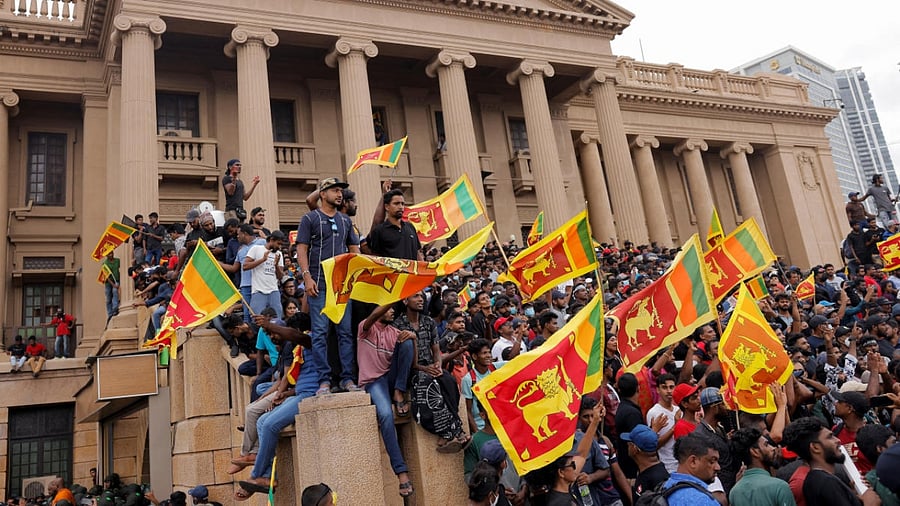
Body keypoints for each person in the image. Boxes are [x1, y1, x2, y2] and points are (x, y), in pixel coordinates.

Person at [234, 314, 318, 501]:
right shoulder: (297, 348)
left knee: (270, 425)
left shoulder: (312, 339)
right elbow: (293, 381)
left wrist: (270, 325)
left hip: (309, 396)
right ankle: (267, 476)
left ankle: (257, 475)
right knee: (263, 420)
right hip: (298, 394)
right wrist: (284, 394)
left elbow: (297, 336)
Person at [296, 177, 361, 395]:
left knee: (344, 334)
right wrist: (307, 277)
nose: (339, 194)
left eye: (341, 190)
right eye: (334, 190)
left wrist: (356, 274)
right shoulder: (310, 218)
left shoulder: (345, 221)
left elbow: (354, 249)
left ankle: (348, 378)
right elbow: (302, 249)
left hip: (341, 286)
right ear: (322, 194)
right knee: (320, 333)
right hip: (319, 284)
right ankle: (323, 380)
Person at [394, 292, 470, 452]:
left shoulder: (428, 321)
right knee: (428, 385)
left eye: (422, 296)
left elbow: (435, 349)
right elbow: (405, 357)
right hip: (412, 370)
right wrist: (425, 368)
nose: (421, 299)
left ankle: (448, 433)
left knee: (449, 381)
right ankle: (453, 432)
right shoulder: (398, 324)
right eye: (415, 296)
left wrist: (437, 364)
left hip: (430, 366)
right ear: (405, 300)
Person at [357, 303, 415, 498]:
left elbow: (410, 361)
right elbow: (373, 316)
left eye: (393, 308)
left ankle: (399, 393)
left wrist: (413, 338)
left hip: (392, 379)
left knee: (406, 340)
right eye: (388, 308)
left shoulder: (395, 331)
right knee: (385, 415)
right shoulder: (365, 327)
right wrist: (390, 299)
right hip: (374, 382)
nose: (392, 311)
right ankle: (401, 473)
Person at [782, 416, 880, 506]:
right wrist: (870, 503)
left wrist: (852, 496)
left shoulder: (816, 480)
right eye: (830, 437)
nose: (838, 440)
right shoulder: (826, 483)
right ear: (815, 447)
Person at [728, 427, 795, 506]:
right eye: (766, 445)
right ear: (755, 452)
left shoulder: (734, 493)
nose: (773, 448)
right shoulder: (780, 487)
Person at [658, 432, 721, 506]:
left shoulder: (665, 486)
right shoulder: (701, 501)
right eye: (712, 461)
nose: (718, 467)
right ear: (693, 461)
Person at [367, 188, 423, 260]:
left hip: (412, 271)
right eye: (396, 203)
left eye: (402, 204)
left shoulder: (410, 227)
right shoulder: (379, 231)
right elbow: (376, 257)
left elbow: (417, 253)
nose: (400, 207)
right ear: (387, 207)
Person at [244, 231, 285, 319]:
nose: (279, 247)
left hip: (274, 290)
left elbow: (280, 277)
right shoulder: (256, 249)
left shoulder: (279, 254)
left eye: (281, 244)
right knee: (257, 319)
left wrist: (276, 265)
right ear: (271, 240)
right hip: (258, 291)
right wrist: (262, 259)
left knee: (277, 319)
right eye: (278, 244)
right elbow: (245, 266)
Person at [624, 424, 669, 500]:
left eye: (629, 443)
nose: (627, 445)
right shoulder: (649, 472)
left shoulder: (657, 481)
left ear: (635, 449)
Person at [832, 390, 873, 473]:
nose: (835, 404)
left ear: (850, 408)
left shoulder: (872, 435)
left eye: (839, 402)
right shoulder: (836, 430)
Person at [646, 373, 680, 472]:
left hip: (682, 464)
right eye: (664, 387)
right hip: (667, 466)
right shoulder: (654, 413)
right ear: (657, 390)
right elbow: (654, 445)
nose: (669, 391)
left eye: (671, 387)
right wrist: (674, 427)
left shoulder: (679, 410)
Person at [613, 372, 643, 479]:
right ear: (638, 388)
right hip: (632, 468)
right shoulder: (631, 413)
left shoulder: (623, 408)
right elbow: (640, 441)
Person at [462, 338, 495, 433]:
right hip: (482, 426)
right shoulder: (468, 380)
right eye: (484, 353)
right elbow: (467, 411)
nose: (489, 356)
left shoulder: (496, 368)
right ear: (475, 356)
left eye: (489, 352)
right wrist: (477, 433)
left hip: (500, 424)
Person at [102, 251, 120, 321]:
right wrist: (113, 285)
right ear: (106, 255)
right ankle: (110, 313)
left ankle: (115, 308)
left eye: (112, 253)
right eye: (109, 254)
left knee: (115, 291)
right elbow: (107, 277)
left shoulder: (117, 261)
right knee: (108, 298)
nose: (111, 255)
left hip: (116, 280)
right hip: (109, 283)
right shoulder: (105, 264)